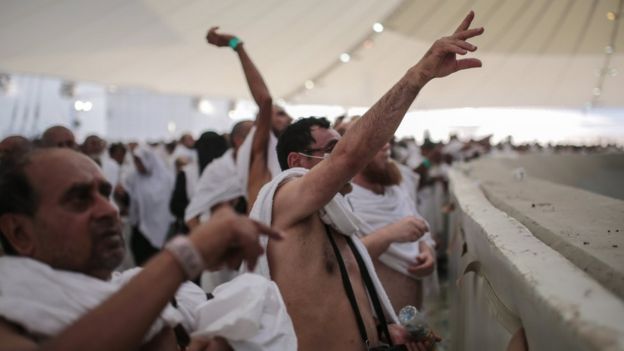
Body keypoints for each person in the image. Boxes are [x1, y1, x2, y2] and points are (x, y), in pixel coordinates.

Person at [247, 12, 483, 350]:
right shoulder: (286, 198)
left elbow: (341, 296)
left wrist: (385, 330)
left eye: (338, 147)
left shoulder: (335, 216)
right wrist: (418, 75)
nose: (340, 157)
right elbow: (351, 156)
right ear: (297, 163)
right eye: (330, 149)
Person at [0, 148, 284, 350]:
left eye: (106, 194)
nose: (109, 210)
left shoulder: (136, 287)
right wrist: (185, 256)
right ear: (20, 233)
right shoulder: (9, 313)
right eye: (79, 199)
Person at [205, 26, 292, 209]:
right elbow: (265, 99)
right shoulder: (259, 147)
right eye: (280, 114)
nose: (289, 118)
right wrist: (237, 45)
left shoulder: (286, 152)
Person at [346, 141, 437, 311]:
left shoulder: (397, 189)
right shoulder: (345, 200)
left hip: (415, 317)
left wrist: (427, 252)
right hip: (380, 326)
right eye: (377, 141)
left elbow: (420, 226)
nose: (386, 145)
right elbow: (346, 259)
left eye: (387, 140)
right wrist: (389, 234)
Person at [124, 147, 175, 265]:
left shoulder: (166, 178)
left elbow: (170, 203)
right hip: (140, 230)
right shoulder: (133, 178)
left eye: (139, 161)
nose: (137, 165)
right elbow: (131, 201)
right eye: (135, 161)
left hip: (163, 229)